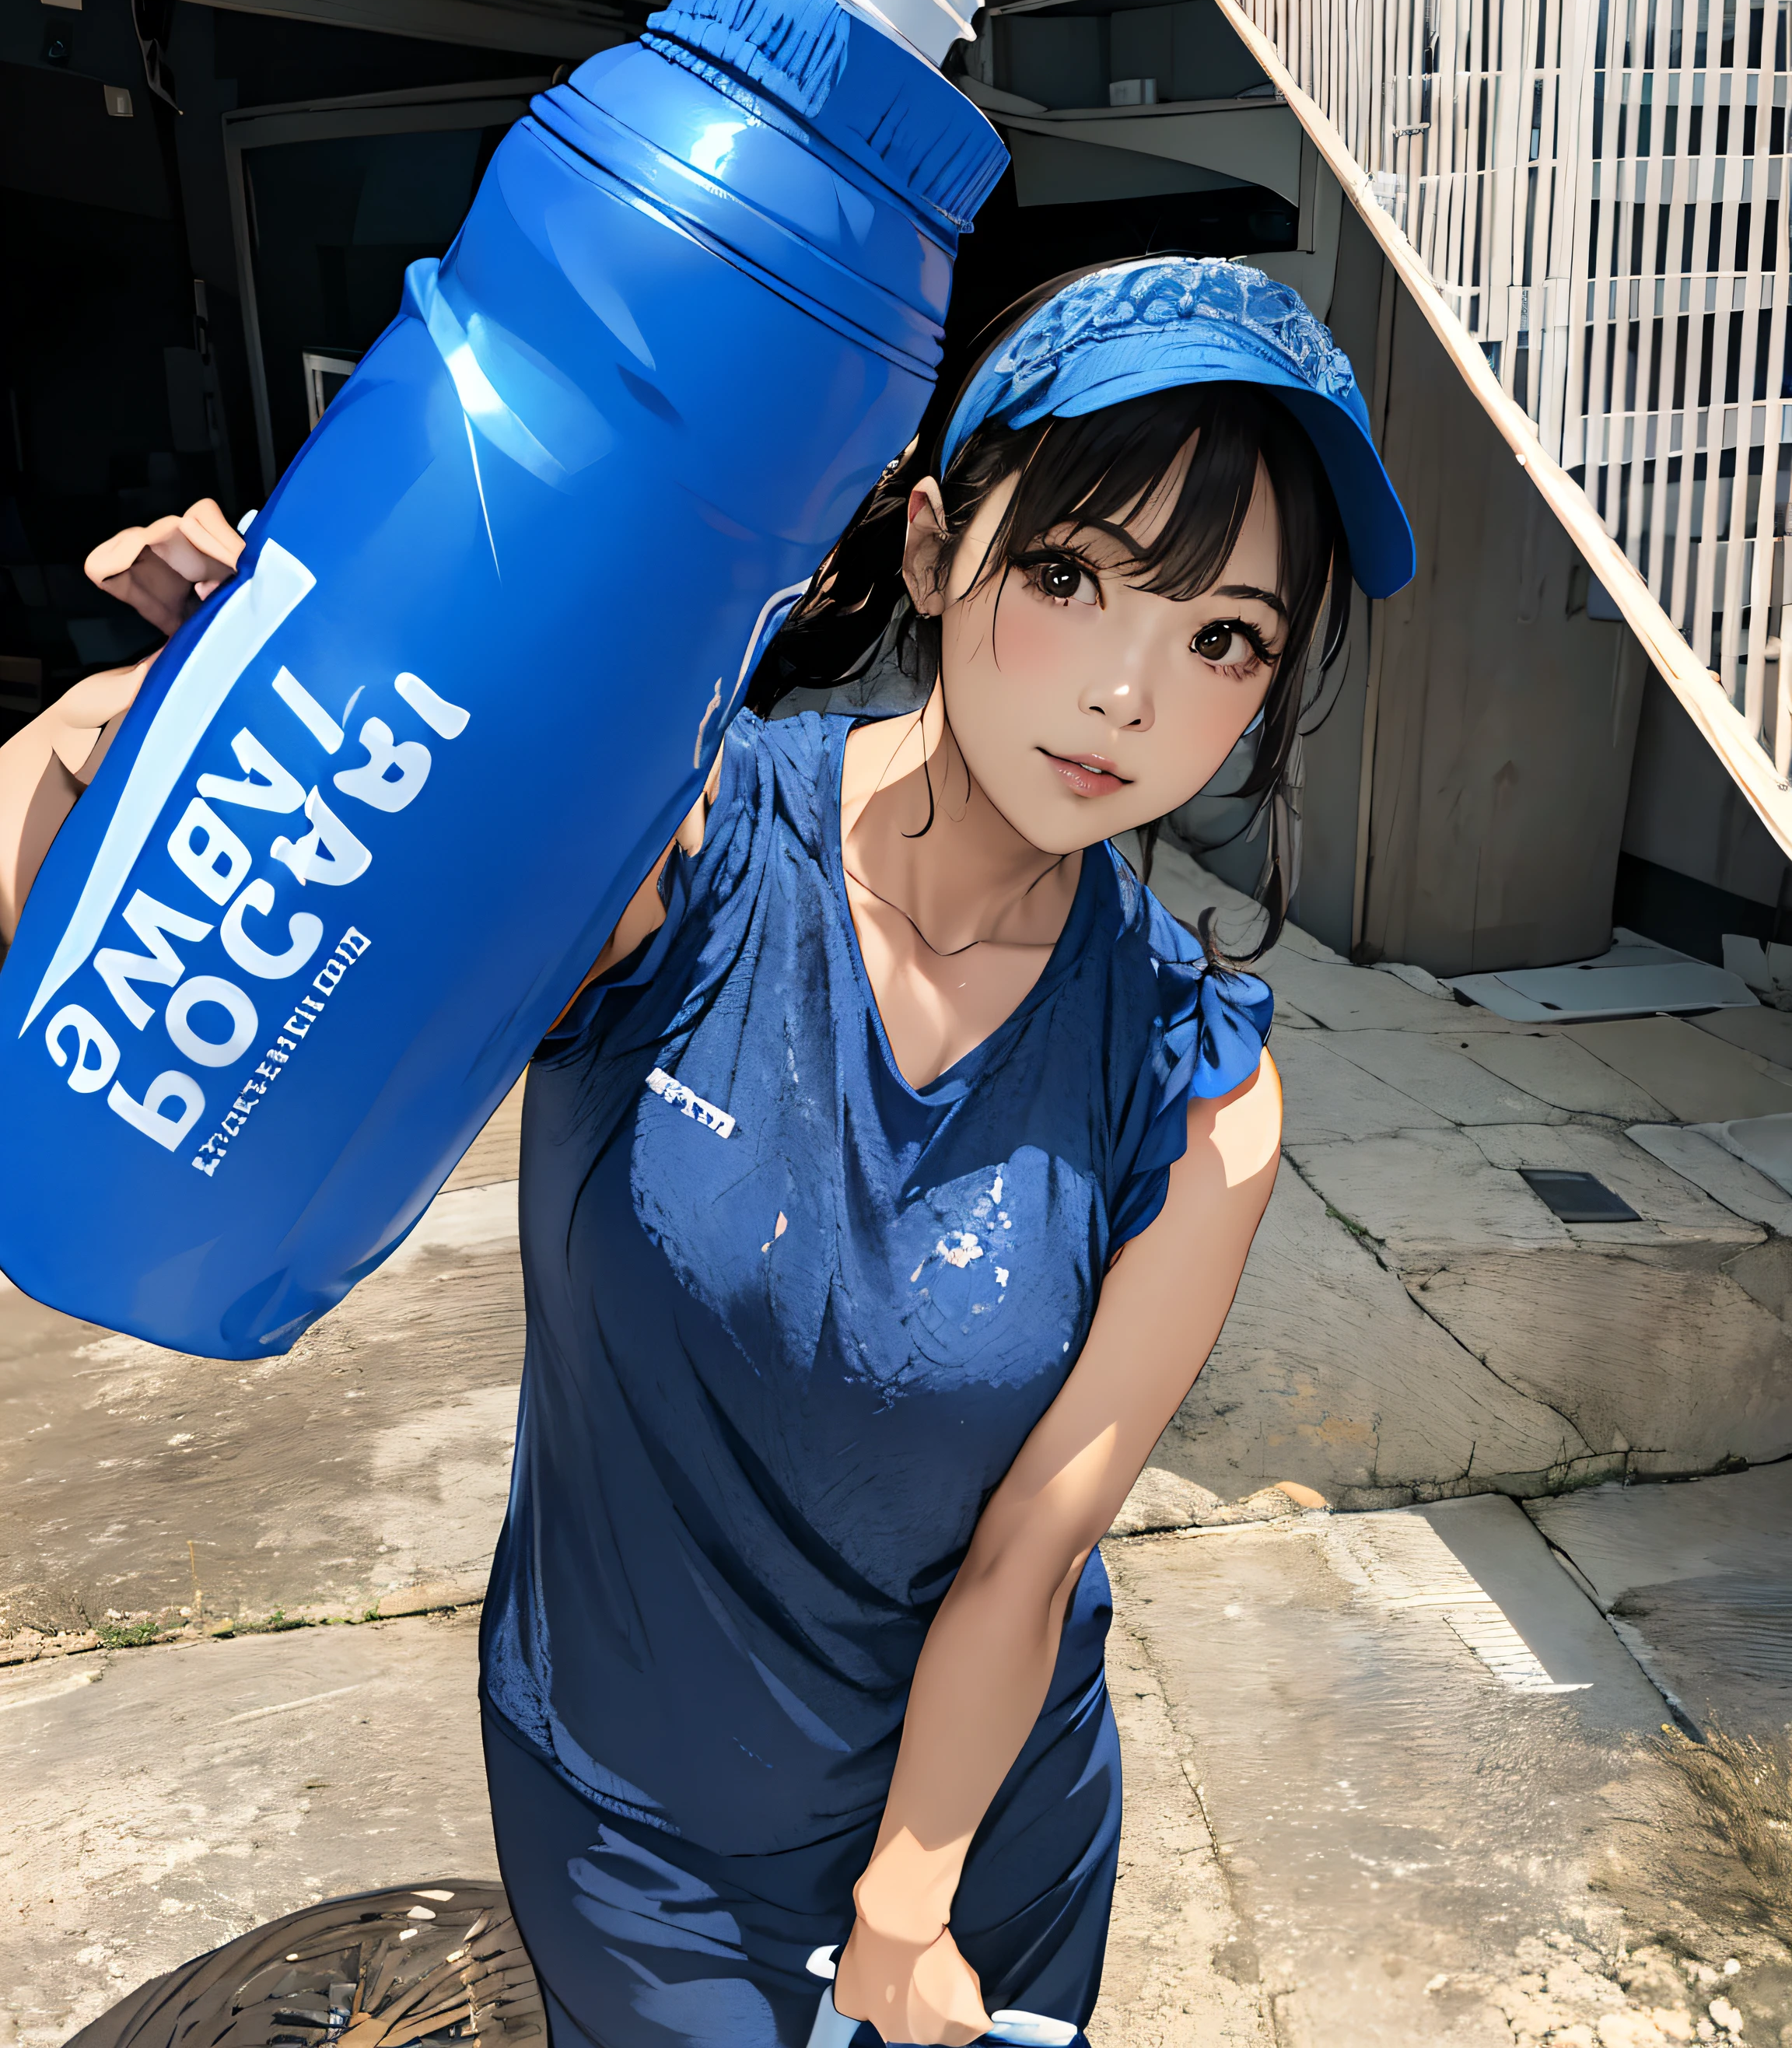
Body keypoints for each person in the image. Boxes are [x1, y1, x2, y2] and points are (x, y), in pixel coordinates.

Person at [0, 257, 1413, 2048]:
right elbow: (128, 964)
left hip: (981, 1850)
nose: (1135, 694)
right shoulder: (670, 849)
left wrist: (911, 1901)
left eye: (1225, 636)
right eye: (1069, 578)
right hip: (639, 1840)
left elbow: (1029, 1556)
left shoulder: (1202, 1088)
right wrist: (184, 726)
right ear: (927, 550)